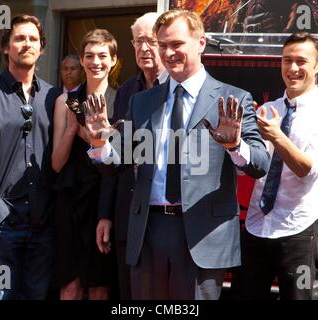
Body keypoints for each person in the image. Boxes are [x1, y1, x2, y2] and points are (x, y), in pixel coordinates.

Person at [85, 9, 270, 300]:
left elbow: (260, 164)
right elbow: (114, 162)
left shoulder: (232, 99)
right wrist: (99, 142)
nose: (168, 52)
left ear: (201, 43)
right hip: (148, 229)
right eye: (163, 45)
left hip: (202, 233)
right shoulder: (142, 102)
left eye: (177, 44)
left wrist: (235, 146)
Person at [231, 32, 318, 300]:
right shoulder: (266, 110)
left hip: (300, 231)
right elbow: (248, 166)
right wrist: (233, 145)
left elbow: (309, 169)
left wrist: (277, 136)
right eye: (286, 60)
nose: (292, 69)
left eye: (301, 61)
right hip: (256, 226)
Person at [0, 15, 60, 300]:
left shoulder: (53, 97)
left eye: (33, 39)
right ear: (6, 47)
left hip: (42, 226)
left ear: (42, 48)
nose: (26, 44)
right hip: (3, 228)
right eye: (19, 38)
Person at [95, 12, 167, 300]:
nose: (144, 48)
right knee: (130, 293)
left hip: (166, 217)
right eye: (139, 42)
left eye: (151, 41)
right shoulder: (126, 90)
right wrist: (105, 214)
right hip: (128, 212)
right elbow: (112, 154)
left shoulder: (178, 90)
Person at [52, 29, 118, 300]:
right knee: (70, 282)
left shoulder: (123, 99)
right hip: (69, 199)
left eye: (103, 55)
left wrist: (97, 136)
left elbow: (119, 160)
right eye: (89, 56)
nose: (96, 62)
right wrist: (71, 129)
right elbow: (56, 164)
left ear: (114, 59)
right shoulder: (65, 102)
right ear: (82, 59)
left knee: (99, 284)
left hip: (103, 199)